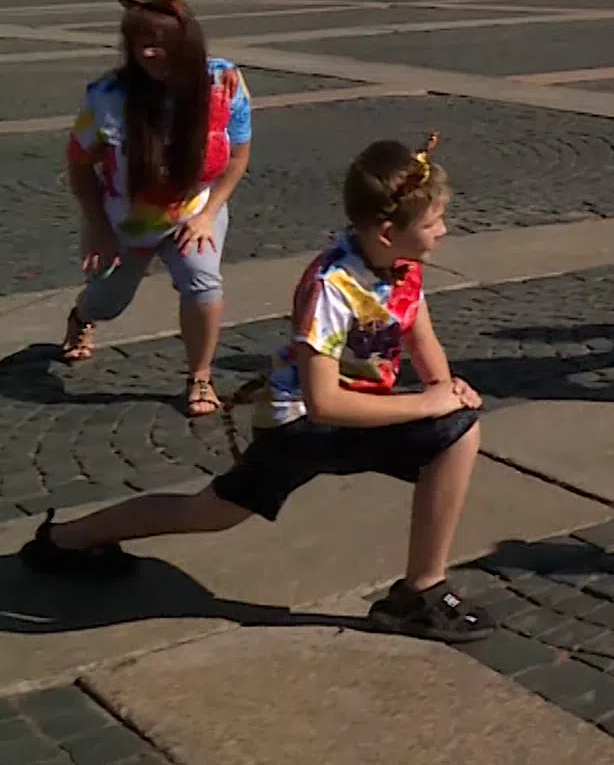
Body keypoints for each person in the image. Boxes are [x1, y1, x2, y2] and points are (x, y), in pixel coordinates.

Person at [21, 137, 495, 643]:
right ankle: (417, 595)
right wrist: (427, 403)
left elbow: (417, 328)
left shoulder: (399, 264)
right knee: (206, 515)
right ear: (386, 232)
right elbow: (325, 402)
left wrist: (446, 387)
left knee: (209, 512)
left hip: (345, 416)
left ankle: (65, 540)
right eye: (432, 222)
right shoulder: (332, 287)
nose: (443, 230)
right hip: (302, 424)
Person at [61, 0, 252, 418]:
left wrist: (207, 214)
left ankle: (199, 376)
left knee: (203, 281)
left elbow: (237, 158)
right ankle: (81, 318)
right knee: (107, 301)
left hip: (194, 210)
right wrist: (98, 228)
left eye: (159, 41)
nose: (148, 51)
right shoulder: (107, 96)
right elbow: (78, 167)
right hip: (123, 221)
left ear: (187, 42)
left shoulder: (224, 83)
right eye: (138, 42)